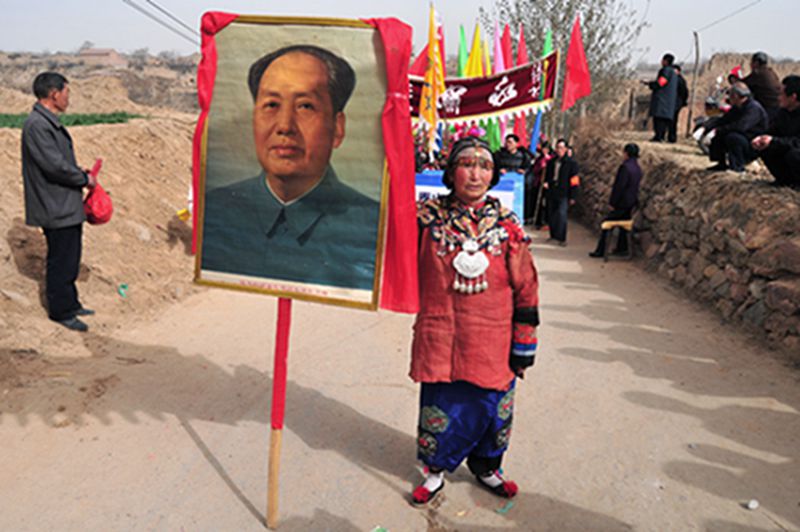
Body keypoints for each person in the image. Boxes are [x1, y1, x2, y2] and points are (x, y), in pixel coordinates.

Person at [409, 136, 540, 505]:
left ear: (494, 174)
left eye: (485, 166)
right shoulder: (425, 218)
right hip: (443, 334)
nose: (476, 173)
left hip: (493, 338)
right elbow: (391, 247)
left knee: (492, 408)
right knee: (441, 404)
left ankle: (486, 467)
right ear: (451, 172)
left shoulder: (507, 224)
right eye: (467, 164)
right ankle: (434, 472)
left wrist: (524, 346)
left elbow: (527, 285)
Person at [201, 45, 380, 291]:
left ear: (337, 128)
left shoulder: (371, 225)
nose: (285, 126)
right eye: (271, 105)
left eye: (305, 106)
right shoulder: (214, 212)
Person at [21, 72, 98, 332]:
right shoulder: (37, 125)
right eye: (66, 93)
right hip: (54, 204)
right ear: (54, 94)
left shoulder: (46, 122)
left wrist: (79, 172)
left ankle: (71, 303)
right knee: (61, 259)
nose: (68, 99)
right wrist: (83, 178)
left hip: (64, 202)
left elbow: (59, 162)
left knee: (70, 256)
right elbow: (54, 167)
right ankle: (61, 311)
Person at [589, 143, 643, 258]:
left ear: (626, 153)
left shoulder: (625, 167)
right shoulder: (637, 168)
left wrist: (613, 203)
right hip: (631, 203)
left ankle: (601, 250)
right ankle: (621, 248)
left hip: (622, 203)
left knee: (606, 224)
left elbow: (619, 187)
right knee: (623, 226)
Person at [706, 82, 768, 173]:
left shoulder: (753, 108)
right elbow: (723, 120)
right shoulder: (737, 107)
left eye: (730, 95)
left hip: (753, 142)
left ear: (735, 96)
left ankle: (737, 167)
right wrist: (708, 127)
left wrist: (720, 129)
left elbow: (741, 127)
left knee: (733, 137)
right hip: (743, 137)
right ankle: (721, 163)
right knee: (720, 134)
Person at [752, 75, 800, 188]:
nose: (778, 98)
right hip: (788, 147)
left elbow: (797, 142)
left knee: (794, 155)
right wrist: (762, 139)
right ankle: (785, 181)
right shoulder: (783, 113)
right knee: (766, 148)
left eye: (782, 94)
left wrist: (774, 141)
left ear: (793, 97)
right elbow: (774, 131)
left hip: (795, 152)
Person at [543, 139, 580, 246]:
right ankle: (553, 235)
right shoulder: (551, 162)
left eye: (561, 148)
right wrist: (546, 183)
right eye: (557, 148)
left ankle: (561, 237)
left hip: (564, 192)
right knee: (551, 213)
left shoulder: (572, 164)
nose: (559, 150)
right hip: (552, 190)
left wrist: (573, 196)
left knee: (561, 214)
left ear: (566, 149)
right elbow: (548, 176)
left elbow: (574, 180)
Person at [644, 53, 678, 142]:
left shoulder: (666, 71)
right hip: (668, 101)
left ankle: (659, 137)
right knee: (663, 120)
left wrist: (650, 84)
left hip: (662, 100)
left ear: (666, 61)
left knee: (659, 119)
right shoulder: (673, 72)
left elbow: (661, 83)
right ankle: (661, 136)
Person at [743, 52, 782, 125]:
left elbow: (743, 84)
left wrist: (733, 79)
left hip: (768, 107)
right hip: (777, 106)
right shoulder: (770, 72)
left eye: (752, 62)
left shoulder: (758, 73)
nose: (750, 64)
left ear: (756, 63)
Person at [529, 139, 553, 227]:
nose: (545, 151)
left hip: (547, 184)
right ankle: (537, 220)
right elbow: (534, 170)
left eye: (546, 149)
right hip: (538, 182)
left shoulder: (552, 159)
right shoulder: (539, 159)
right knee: (537, 202)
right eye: (543, 148)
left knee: (546, 203)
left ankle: (546, 221)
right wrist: (540, 166)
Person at [669, 64, 689, 143]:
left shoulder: (680, 80)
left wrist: (682, 101)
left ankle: (672, 137)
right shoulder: (675, 79)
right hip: (675, 102)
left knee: (673, 120)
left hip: (676, 102)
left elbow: (684, 92)